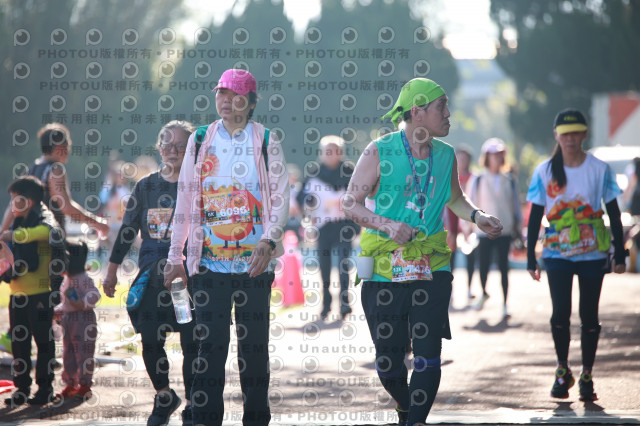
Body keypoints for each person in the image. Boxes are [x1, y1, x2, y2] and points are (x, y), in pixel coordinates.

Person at [342, 78, 503, 425]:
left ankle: (415, 420)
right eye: (441, 106)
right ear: (417, 112)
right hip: (383, 270)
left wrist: (478, 216)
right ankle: (405, 408)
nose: (448, 113)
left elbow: (455, 199)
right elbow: (350, 203)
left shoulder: (445, 155)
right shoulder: (379, 151)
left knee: (428, 356)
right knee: (388, 362)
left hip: (433, 267)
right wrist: (387, 225)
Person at [163, 68, 289, 426]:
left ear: (250, 102)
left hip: (255, 266)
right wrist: (175, 256)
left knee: (254, 351)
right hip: (209, 267)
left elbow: (281, 197)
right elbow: (185, 199)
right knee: (210, 349)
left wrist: (268, 240)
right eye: (221, 93)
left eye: (235, 95)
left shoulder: (266, 140)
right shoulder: (201, 139)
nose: (226, 101)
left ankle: (256, 420)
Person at [526, 109, 627, 401]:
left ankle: (586, 376)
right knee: (560, 313)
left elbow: (614, 212)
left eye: (575, 133)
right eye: (564, 134)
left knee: (589, 315)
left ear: (584, 135)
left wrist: (620, 253)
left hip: (593, 253)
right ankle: (562, 370)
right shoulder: (544, 171)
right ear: (556, 136)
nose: (570, 139)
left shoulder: (599, 168)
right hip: (556, 252)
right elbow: (535, 216)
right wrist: (532, 256)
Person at [102, 121, 198, 426]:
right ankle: (164, 395)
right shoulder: (145, 187)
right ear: (158, 148)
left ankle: (194, 404)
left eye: (180, 145)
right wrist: (111, 271)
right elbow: (128, 230)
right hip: (152, 279)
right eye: (166, 144)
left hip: (186, 281)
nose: (172, 150)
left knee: (191, 342)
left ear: (191, 149)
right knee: (150, 339)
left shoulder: (199, 185)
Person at [2, 176, 65, 406]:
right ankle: (22, 388)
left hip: (40, 294)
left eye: (15, 199)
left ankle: (45, 389)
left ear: (27, 201)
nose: (11, 205)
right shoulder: (19, 220)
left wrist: (14, 235)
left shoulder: (44, 218)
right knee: (19, 345)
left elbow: (49, 233)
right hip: (17, 294)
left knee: (43, 343)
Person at [1, 123, 109, 236]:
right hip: (49, 237)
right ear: (60, 146)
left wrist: (2, 232)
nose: (68, 151)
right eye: (68, 145)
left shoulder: (30, 169)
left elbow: (13, 205)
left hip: (27, 237)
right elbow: (66, 207)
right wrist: (97, 223)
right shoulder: (55, 170)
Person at [297, 136, 359, 320]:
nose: (331, 155)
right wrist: (310, 203)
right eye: (327, 151)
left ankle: (345, 303)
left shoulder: (350, 171)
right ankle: (326, 305)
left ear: (341, 152)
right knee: (324, 266)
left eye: (335, 151)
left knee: (343, 265)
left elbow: (360, 194)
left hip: (344, 225)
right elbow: (302, 196)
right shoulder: (314, 172)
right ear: (322, 153)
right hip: (323, 226)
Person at [467, 138, 522, 317]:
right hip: (482, 231)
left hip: (504, 231)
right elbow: (469, 204)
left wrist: (519, 228)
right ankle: (483, 292)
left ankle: (505, 303)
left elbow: (516, 206)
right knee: (482, 266)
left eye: (500, 154)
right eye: (493, 154)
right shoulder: (478, 179)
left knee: (504, 268)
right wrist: (468, 228)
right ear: (486, 157)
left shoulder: (510, 180)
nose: (497, 158)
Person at [54, 240, 100, 400]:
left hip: (83, 319)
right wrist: (58, 311)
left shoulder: (82, 278)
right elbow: (67, 302)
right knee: (69, 353)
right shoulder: (68, 278)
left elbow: (95, 294)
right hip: (69, 318)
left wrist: (83, 303)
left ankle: (85, 385)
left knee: (83, 352)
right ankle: (71, 383)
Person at [443, 146, 476, 300]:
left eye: (464, 158)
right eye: (459, 158)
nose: (461, 161)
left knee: (471, 257)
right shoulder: (448, 177)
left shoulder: (473, 178)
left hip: (468, 223)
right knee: (451, 259)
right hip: (452, 224)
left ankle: (470, 288)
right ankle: (450, 289)